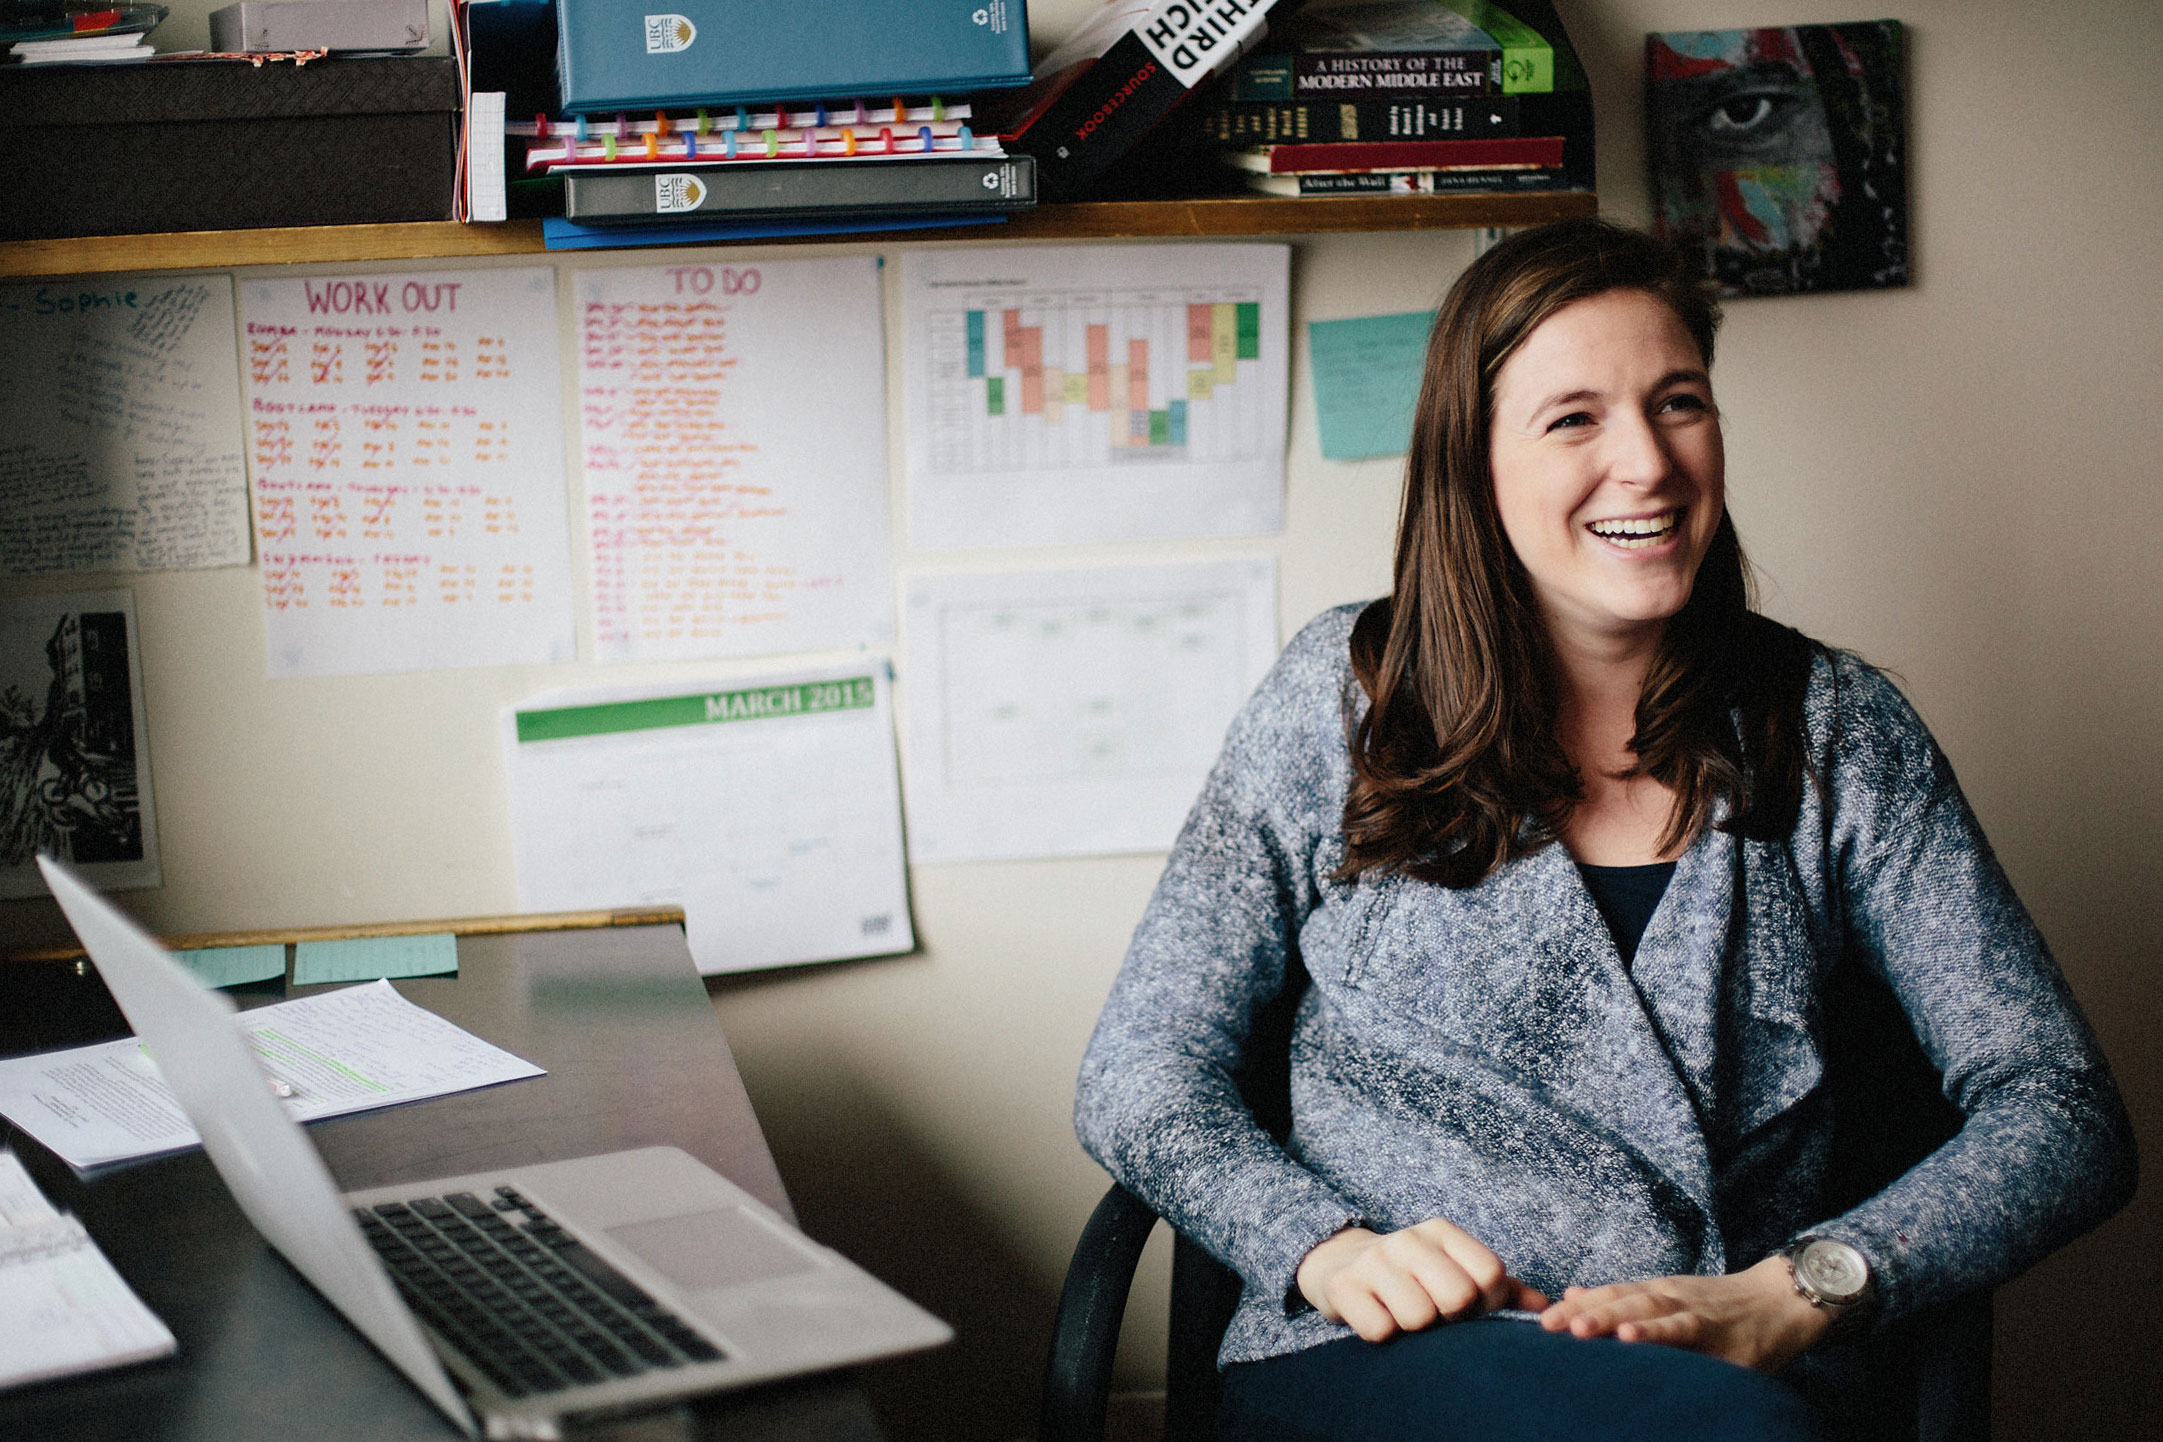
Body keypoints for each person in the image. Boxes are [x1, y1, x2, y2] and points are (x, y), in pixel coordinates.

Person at [1073, 218, 2134, 1441]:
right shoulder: (1338, 700)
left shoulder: (1837, 727)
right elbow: (1139, 1070)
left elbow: (2062, 1106)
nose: (1648, 462)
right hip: (1377, 1360)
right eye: (1574, 417)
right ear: (1471, 465)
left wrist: (1808, 1286)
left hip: (1729, 1368)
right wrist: (1318, 1248)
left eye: (1678, 402)